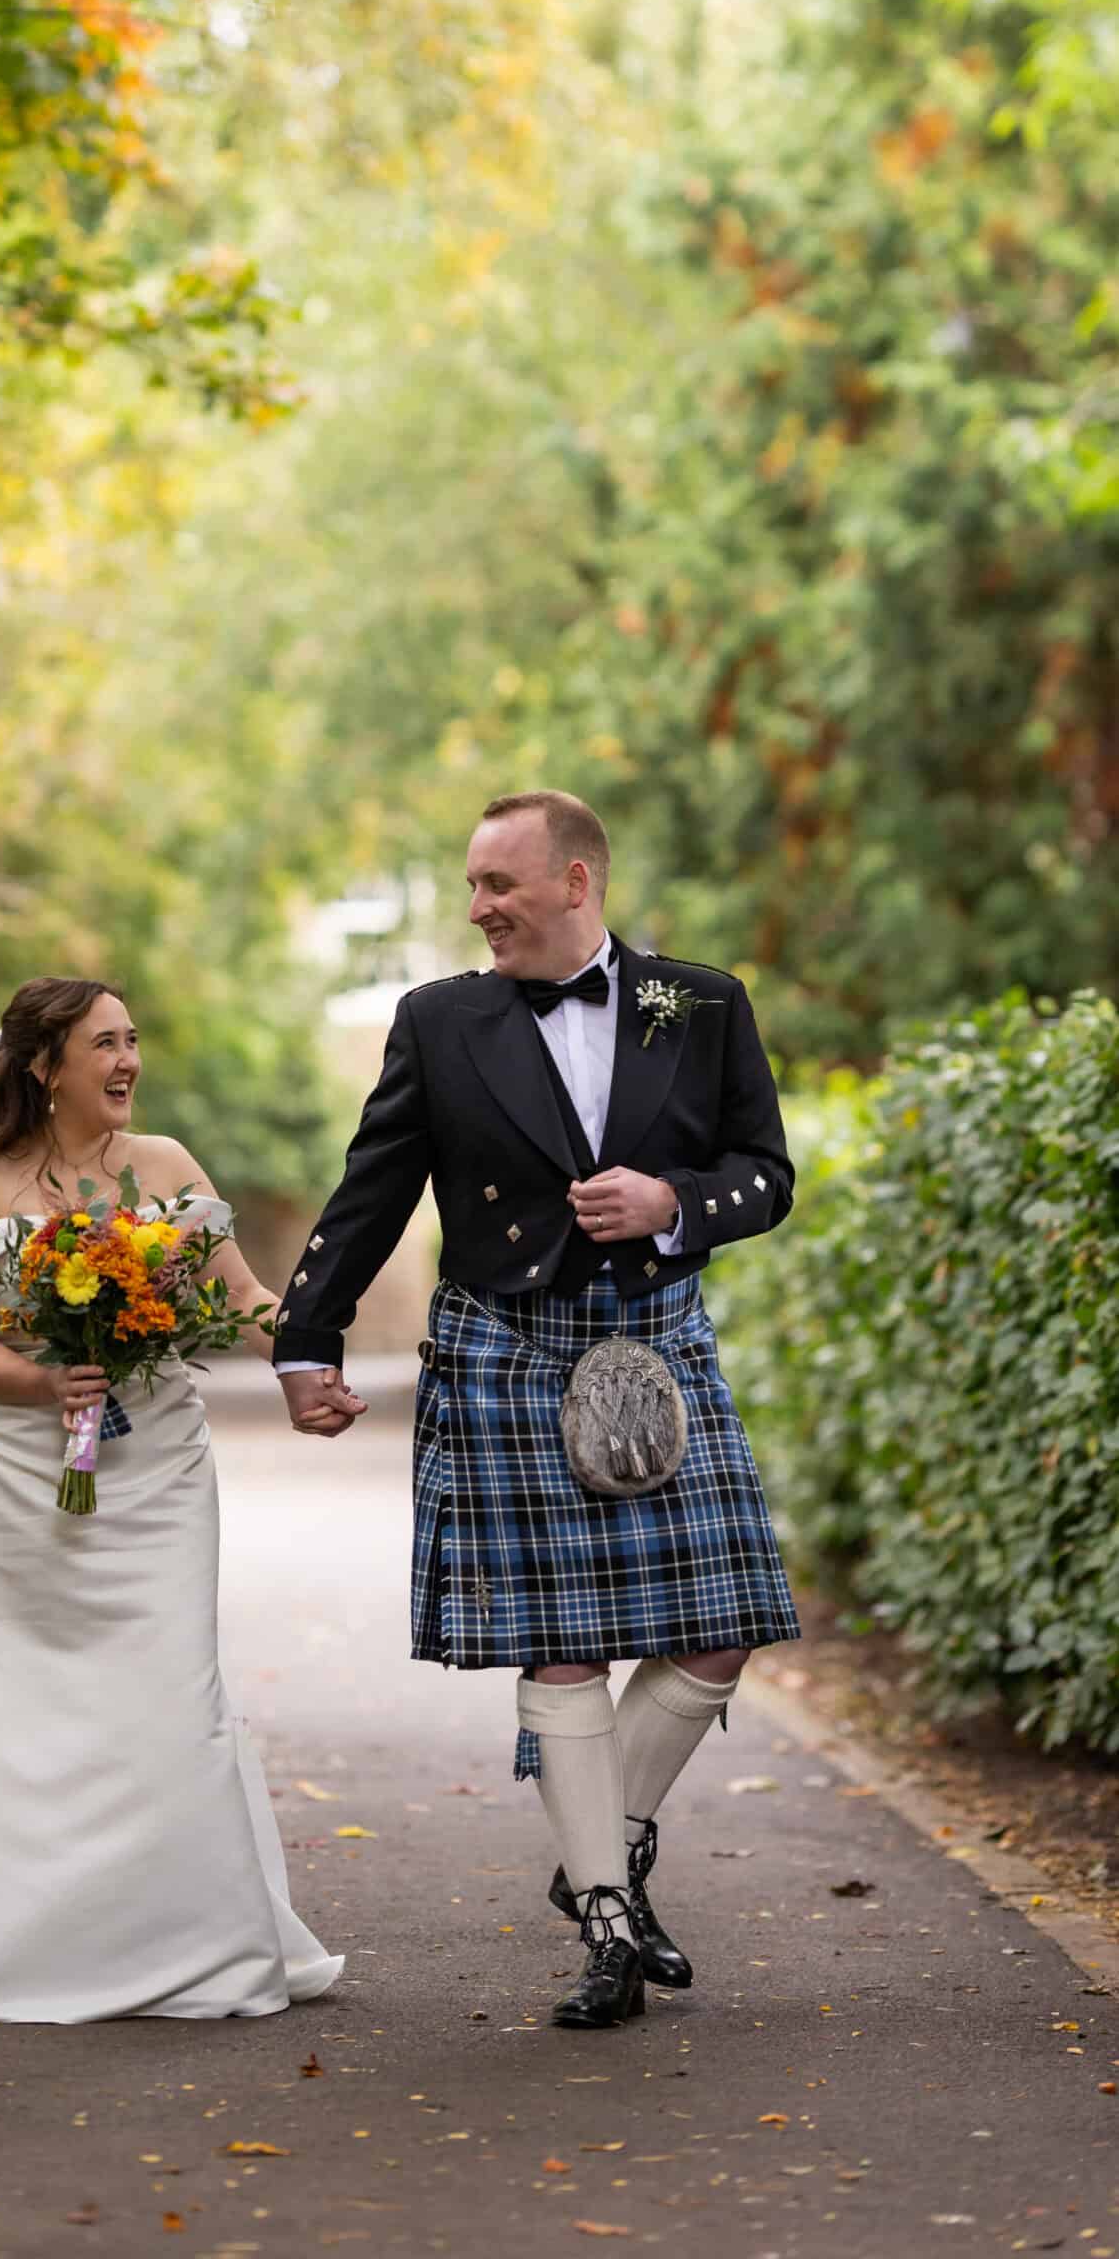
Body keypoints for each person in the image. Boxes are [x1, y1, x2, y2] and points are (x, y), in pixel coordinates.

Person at [274, 791, 800, 2030]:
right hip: (508, 1341)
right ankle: (610, 1917)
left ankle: (592, 1849)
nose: (478, 909)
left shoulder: (700, 1001)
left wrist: (672, 1200)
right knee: (561, 1642)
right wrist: (307, 1336)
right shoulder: (441, 1020)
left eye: (499, 885)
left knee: (721, 1622)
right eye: (469, 886)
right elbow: (374, 1189)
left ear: (576, 881)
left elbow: (767, 1173)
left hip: (654, 1339)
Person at [0, 973, 346, 2024]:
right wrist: (42, 1378)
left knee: (172, 1684)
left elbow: (243, 1293)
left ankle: (198, 1945)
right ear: (43, 1066)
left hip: (157, 1467)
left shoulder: (162, 1169)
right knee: (40, 1694)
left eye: (132, 1040)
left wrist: (307, 1359)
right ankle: (28, 1945)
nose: (127, 1062)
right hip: (27, 1475)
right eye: (104, 1044)